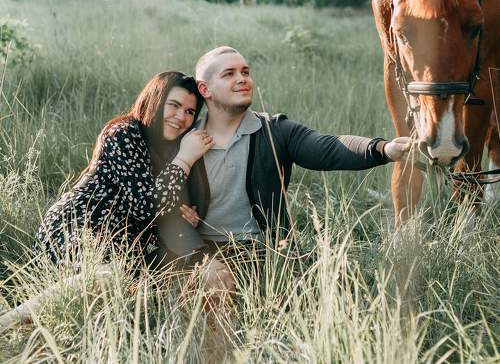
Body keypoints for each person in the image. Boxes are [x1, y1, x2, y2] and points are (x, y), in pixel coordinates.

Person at [156, 46, 412, 293]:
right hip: (202, 251)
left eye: (245, 72)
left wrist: (384, 149)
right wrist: (200, 259)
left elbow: (328, 148)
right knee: (210, 295)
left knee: (343, 283)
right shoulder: (184, 140)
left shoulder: (274, 130)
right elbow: (165, 213)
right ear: (205, 89)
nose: (242, 79)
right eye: (229, 74)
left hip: (266, 250)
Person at [33, 71, 214, 267]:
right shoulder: (123, 133)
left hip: (119, 246)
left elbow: (156, 206)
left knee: (169, 272)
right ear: (155, 101)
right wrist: (186, 158)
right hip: (76, 230)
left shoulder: (168, 149)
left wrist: (184, 217)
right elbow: (146, 208)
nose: (180, 117)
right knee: (105, 279)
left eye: (190, 112)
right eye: (174, 105)